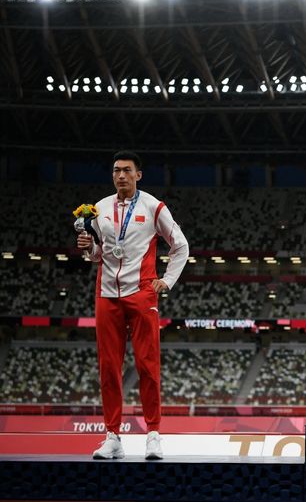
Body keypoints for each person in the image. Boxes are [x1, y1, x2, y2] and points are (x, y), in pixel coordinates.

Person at [77, 151, 189, 460]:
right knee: (109, 368)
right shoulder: (98, 209)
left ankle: (153, 433)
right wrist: (89, 250)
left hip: (142, 294)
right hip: (107, 294)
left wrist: (167, 280)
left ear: (138, 174)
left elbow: (180, 245)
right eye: (116, 171)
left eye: (127, 170)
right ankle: (113, 435)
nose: (121, 175)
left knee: (147, 365)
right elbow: (99, 255)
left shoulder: (154, 207)